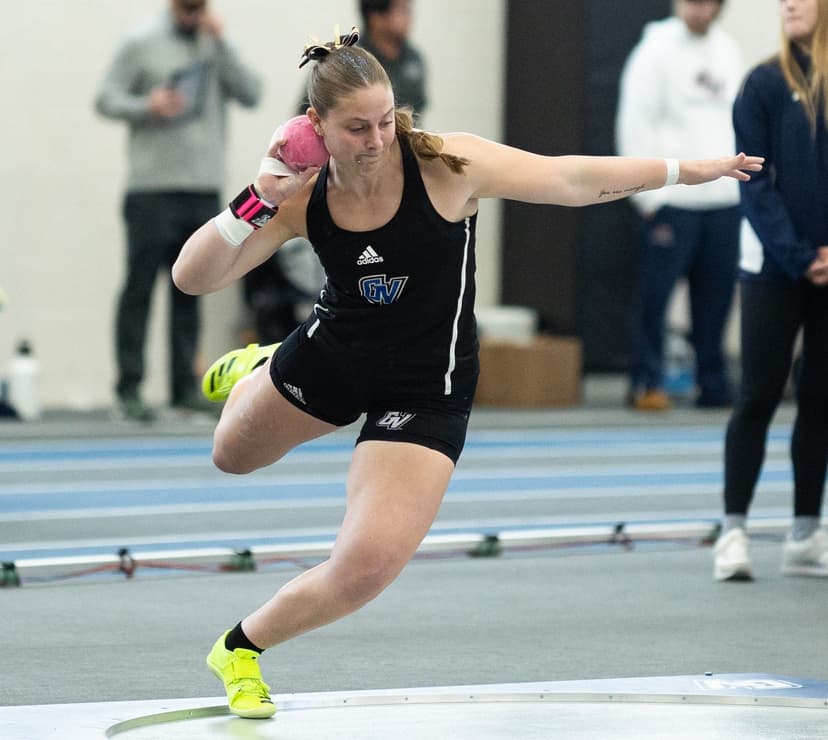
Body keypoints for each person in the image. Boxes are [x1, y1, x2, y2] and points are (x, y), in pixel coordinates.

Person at [171, 28, 762, 719]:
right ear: (315, 128)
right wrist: (257, 198)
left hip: (426, 387)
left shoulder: (446, 164)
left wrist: (683, 171)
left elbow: (568, 179)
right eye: (356, 127)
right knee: (230, 456)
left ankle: (241, 649)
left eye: (385, 119)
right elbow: (192, 277)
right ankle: (264, 363)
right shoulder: (299, 195)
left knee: (365, 566)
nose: (375, 139)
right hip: (332, 357)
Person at [95, 0, 262, 421]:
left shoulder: (217, 43)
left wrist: (222, 42)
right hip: (151, 189)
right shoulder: (141, 42)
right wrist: (146, 106)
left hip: (202, 188)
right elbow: (106, 98)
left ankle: (183, 388)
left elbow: (251, 93)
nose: (193, 14)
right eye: (187, 8)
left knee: (191, 288)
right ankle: (129, 388)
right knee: (138, 289)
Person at [713, 0, 828, 582]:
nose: (788, 4)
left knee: (821, 402)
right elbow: (753, 185)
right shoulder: (761, 83)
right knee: (757, 395)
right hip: (771, 269)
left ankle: (805, 533)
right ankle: (733, 531)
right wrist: (801, 256)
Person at [616, 0, 745, 411]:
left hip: (724, 199)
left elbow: (737, 119)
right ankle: (647, 381)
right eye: (692, 2)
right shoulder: (654, 50)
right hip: (672, 198)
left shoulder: (728, 50)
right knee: (656, 296)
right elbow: (634, 123)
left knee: (717, 297)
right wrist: (647, 196)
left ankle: (713, 383)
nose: (700, 11)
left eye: (708, 3)